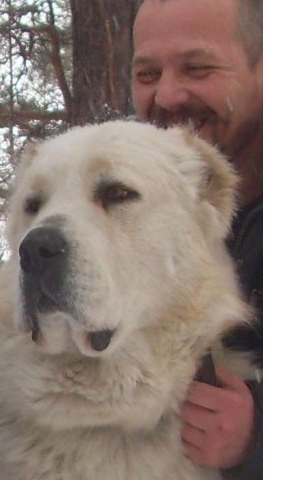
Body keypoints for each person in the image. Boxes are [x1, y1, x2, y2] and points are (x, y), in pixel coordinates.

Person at [131, 0, 262, 478]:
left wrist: (261, 435)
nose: (166, 97)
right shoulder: (141, 208)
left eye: (197, 68)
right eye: (147, 74)